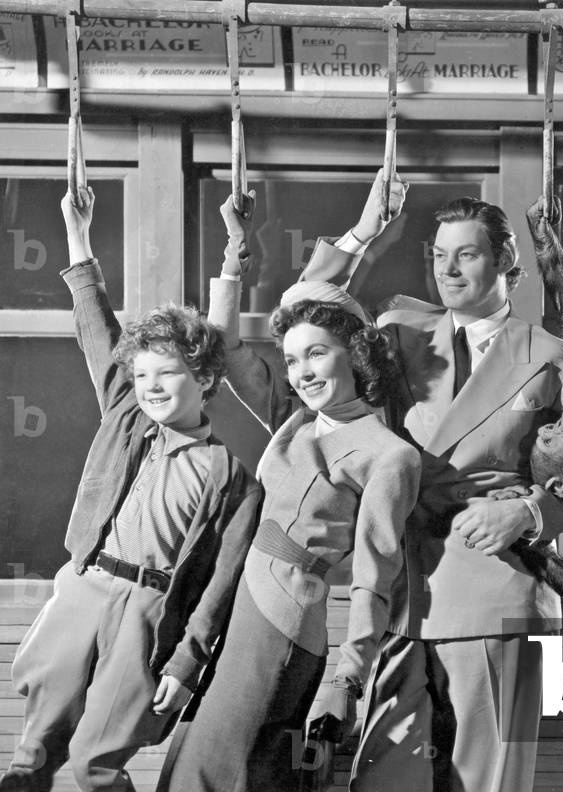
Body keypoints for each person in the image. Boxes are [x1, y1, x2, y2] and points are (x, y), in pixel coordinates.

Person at [301, 171, 563, 792]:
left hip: (502, 590)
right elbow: (304, 316)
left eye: (468, 254)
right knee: (381, 782)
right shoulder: (400, 330)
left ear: (507, 261)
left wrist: (533, 513)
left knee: (489, 785)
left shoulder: (554, 356)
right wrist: (363, 231)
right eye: (438, 257)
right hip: (402, 594)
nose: (448, 271)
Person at [157, 189, 421, 792]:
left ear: (354, 353)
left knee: (229, 773)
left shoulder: (391, 455)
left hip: (284, 619)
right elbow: (219, 353)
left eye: (317, 354)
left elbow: (374, 582)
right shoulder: (292, 420)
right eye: (293, 358)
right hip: (238, 604)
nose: (302, 372)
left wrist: (346, 680)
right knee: (197, 765)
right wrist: (238, 248)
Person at [0, 189, 261, 792]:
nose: (149, 386)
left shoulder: (232, 475)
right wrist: (78, 236)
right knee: (33, 753)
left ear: (204, 377)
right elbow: (96, 326)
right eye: (140, 374)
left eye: (166, 372)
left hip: (150, 610)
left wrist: (188, 659)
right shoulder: (125, 415)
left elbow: (221, 583)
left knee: (97, 763)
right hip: (85, 585)